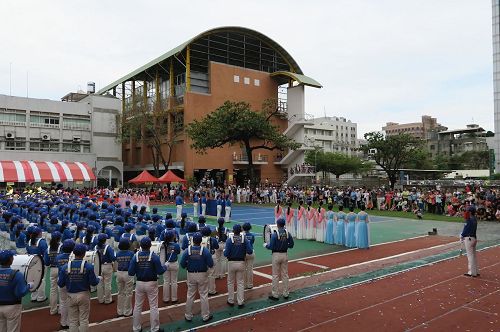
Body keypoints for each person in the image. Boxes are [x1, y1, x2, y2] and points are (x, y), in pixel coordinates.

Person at [58, 243, 101, 332]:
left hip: (70, 295)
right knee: (84, 319)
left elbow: (61, 284)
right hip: (84, 294)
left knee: (73, 320)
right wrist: (98, 279)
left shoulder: (65, 267)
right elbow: (93, 283)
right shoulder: (88, 266)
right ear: (84, 253)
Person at [128, 237, 167, 332]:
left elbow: (130, 273)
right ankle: (154, 329)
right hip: (151, 283)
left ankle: (136, 328)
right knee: (153, 306)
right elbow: (160, 271)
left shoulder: (135, 256)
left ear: (141, 245)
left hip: (139, 283)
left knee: (137, 306)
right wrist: (165, 266)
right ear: (150, 246)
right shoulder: (154, 256)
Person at [180, 232, 214, 323]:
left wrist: (188, 264)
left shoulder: (188, 250)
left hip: (191, 274)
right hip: (202, 274)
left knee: (190, 295)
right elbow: (211, 264)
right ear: (201, 241)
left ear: (192, 240)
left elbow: (182, 264)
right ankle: (205, 316)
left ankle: (188, 316)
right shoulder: (205, 250)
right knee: (203, 295)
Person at [0, 250, 33, 332]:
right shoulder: (17, 275)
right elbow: (20, 293)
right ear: (11, 260)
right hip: (12, 307)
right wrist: (29, 286)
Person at [265, 218, 294, 300]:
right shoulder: (288, 233)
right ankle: (285, 293)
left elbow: (271, 246)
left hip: (276, 255)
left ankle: (275, 294)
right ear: (284, 224)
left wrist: (266, 245)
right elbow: (291, 245)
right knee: (285, 275)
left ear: (277, 225)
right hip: (285, 254)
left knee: (275, 275)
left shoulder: (275, 234)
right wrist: (285, 245)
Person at [224, 224, 253, 308]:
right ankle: (240, 302)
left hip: (231, 263)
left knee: (230, 282)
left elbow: (226, 254)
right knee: (240, 283)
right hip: (241, 262)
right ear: (240, 230)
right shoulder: (244, 239)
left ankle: (231, 300)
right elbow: (250, 251)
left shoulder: (229, 240)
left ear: (233, 231)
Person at [56, 239, 75, 329]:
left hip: (62, 280)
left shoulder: (58, 257)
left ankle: (63, 323)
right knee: (72, 303)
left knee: (63, 303)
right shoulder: (75, 257)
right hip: (73, 280)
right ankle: (71, 322)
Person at [27, 226, 48, 302]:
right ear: (39, 233)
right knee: (41, 279)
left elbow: (28, 252)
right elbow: (45, 253)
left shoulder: (29, 241)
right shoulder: (42, 241)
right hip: (40, 262)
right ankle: (41, 297)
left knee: (32, 279)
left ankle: (33, 296)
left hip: (31, 262)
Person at [43, 231, 62, 315]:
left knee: (53, 290)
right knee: (61, 290)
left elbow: (46, 263)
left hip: (52, 270)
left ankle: (53, 310)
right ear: (59, 238)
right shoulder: (62, 247)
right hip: (61, 269)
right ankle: (62, 310)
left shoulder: (48, 248)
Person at [115, 238, 134, 317]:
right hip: (128, 273)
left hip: (119, 273)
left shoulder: (118, 253)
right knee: (128, 293)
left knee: (120, 293)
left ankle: (120, 311)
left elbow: (116, 262)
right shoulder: (131, 253)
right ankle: (127, 311)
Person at [95, 233, 116, 304]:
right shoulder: (108, 247)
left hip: (98, 266)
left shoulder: (96, 247)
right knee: (107, 283)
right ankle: (108, 300)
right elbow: (113, 257)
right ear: (105, 240)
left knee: (99, 283)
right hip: (107, 266)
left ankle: (100, 299)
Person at [162, 230, 181, 304]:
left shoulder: (163, 244)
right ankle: (174, 298)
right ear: (173, 236)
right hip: (174, 264)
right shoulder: (176, 245)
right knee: (174, 281)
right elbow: (178, 252)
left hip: (166, 264)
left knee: (166, 281)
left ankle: (166, 299)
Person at [200, 226, 219, 296]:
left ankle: (203, 290)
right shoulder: (213, 239)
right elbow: (217, 247)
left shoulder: (200, 239)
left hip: (202, 257)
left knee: (203, 274)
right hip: (212, 256)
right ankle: (212, 290)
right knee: (211, 274)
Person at [461, 206, 479, 277]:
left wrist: (462, 235)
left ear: (470, 212)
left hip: (468, 238)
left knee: (470, 256)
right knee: (473, 255)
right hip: (473, 238)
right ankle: (476, 271)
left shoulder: (469, 219)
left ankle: (472, 272)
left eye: (467, 211)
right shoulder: (475, 219)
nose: (466, 212)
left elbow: (465, 229)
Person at [242, 223, 255, 289]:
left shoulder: (241, 235)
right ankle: (250, 284)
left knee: (243, 269)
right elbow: (252, 242)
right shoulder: (252, 235)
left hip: (243, 253)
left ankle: (244, 285)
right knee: (250, 269)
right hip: (251, 252)